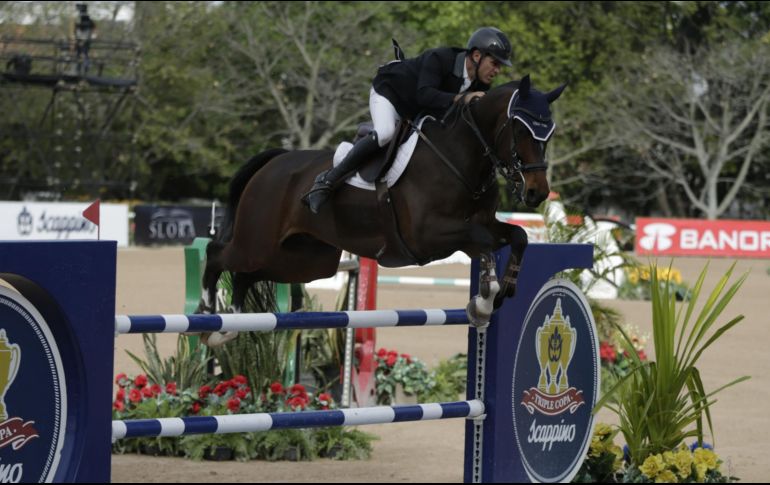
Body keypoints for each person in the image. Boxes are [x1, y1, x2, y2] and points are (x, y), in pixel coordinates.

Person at [302, 27, 513, 214]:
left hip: (417, 111)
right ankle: (327, 181)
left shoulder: (480, 85)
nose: (497, 71)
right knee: (385, 133)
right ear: (476, 55)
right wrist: (461, 98)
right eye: (494, 63)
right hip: (390, 94)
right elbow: (425, 95)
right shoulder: (439, 59)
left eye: (500, 66)